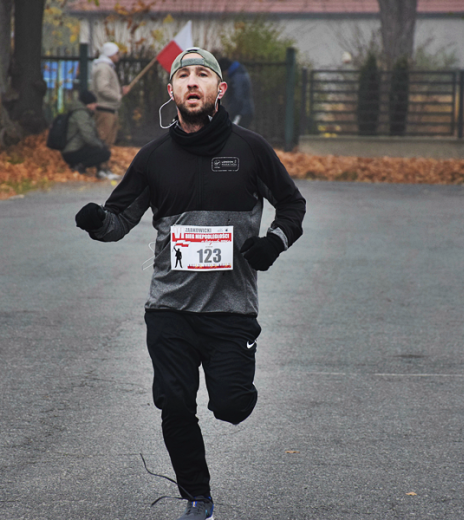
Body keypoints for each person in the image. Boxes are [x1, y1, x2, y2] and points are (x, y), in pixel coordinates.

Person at [75, 47, 305, 520]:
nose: (193, 82)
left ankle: (236, 385)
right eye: (184, 76)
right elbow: (120, 218)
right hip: (170, 309)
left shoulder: (250, 149)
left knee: (232, 407)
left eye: (203, 75)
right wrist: (97, 221)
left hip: (230, 309)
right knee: (175, 403)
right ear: (172, 91)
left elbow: (292, 205)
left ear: (219, 90)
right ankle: (198, 498)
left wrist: (274, 242)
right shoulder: (154, 157)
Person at [92, 42, 131, 180]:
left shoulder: (106, 67)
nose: (118, 55)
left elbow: (105, 87)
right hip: (105, 109)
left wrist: (119, 91)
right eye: (116, 53)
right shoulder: (104, 68)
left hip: (110, 108)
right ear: (109, 54)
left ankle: (105, 168)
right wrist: (117, 96)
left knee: (108, 140)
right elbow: (102, 88)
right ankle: (100, 168)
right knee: (103, 139)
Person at [61, 90, 111, 176]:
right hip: (72, 151)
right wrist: (100, 145)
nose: (96, 105)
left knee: (99, 149)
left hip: (73, 148)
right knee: (104, 153)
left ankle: (100, 170)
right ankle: (79, 166)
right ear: (89, 104)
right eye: (94, 103)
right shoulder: (81, 114)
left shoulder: (81, 112)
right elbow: (88, 136)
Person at [218, 58, 255, 129]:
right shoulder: (240, 73)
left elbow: (238, 96)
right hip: (244, 111)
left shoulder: (237, 77)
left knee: (234, 133)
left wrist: (232, 112)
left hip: (241, 113)